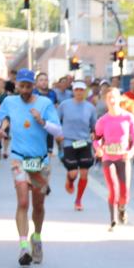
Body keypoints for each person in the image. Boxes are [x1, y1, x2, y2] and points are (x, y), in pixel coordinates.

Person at [0, 68, 62, 267]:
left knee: (38, 205)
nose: (24, 89)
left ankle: (36, 237)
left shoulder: (45, 103)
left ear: (34, 86)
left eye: (28, 85)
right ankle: (23, 245)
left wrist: (42, 121)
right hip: (18, 159)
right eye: (21, 85)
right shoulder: (9, 102)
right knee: (23, 202)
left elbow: (57, 129)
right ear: (16, 86)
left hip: (40, 161)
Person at [94, 87, 134, 230]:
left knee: (125, 193)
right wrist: (99, 149)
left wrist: (131, 152)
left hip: (123, 158)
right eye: (109, 98)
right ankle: (113, 220)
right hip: (108, 158)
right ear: (105, 101)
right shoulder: (103, 120)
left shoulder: (128, 117)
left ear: (120, 98)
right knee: (113, 189)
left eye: (115, 97)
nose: (112, 100)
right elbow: (96, 139)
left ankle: (122, 208)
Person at [57, 79, 96, 211]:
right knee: (73, 173)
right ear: (73, 91)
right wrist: (58, 133)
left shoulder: (90, 107)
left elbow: (94, 126)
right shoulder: (64, 105)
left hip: (85, 141)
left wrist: (95, 135)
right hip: (69, 141)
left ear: (84, 92)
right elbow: (56, 120)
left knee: (84, 173)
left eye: (81, 90)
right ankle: (70, 179)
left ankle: (78, 200)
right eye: (76, 90)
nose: (79, 92)